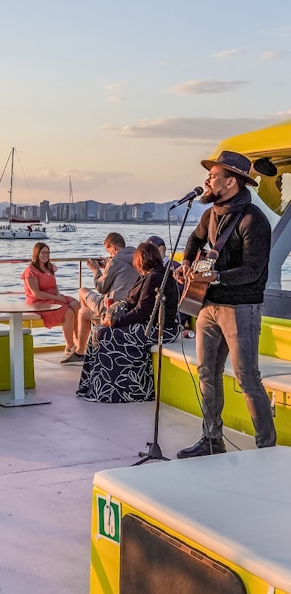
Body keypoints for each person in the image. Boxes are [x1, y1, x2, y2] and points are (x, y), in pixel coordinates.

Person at [175, 150, 276, 458]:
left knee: (247, 377)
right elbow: (194, 240)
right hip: (208, 305)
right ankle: (211, 440)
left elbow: (254, 270)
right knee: (207, 372)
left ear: (231, 181)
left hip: (241, 308)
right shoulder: (212, 213)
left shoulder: (253, 220)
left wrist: (214, 277)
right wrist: (186, 262)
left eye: (213, 176)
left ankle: (266, 448)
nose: (207, 180)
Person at [77, 242, 180, 402]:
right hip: (148, 324)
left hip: (160, 329)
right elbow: (132, 303)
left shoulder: (155, 278)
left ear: (141, 260)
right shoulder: (147, 276)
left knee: (106, 335)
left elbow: (142, 311)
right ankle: (92, 387)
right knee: (97, 330)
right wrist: (112, 316)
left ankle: (109, 391)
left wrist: (115, 323)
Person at [62, 232, 138, 365]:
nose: (109, 254)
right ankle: (90, 329)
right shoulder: (137, 257)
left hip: (111, 305)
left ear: (113, 247)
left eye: (109, 250)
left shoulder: (115, 261)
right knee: (83, 312)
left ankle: (84, 340)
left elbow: (101, 287)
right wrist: (107, 266)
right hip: (130, 305)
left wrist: (96, 270)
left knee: (82, 291)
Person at [21, 242, 80, 357]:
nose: (46, 255)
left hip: (53, 297)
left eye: (48, 252)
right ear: (36, 253)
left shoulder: (49, 268)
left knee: (76, 305)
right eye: (43, 252)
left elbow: (54, 285)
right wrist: (57, 298)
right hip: (38, 302)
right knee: (68, 312)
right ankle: (69, 347)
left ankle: (77, 341)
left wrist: (60, 296)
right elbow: (36, 293)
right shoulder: (30, 271)